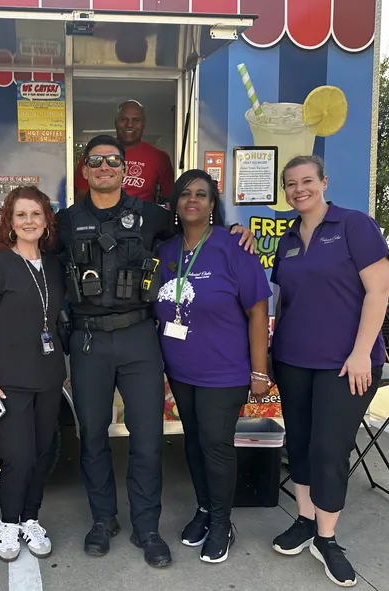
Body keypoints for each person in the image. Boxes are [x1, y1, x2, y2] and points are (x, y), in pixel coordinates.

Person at [52, 135, 254, 568]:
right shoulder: (65, 222)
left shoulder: (152, 217)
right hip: (87, 341)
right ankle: (103, 519)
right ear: (84, 170)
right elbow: (28, 249)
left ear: (125, 169)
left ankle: (147, 527)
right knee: (91, 436)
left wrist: (238, 230)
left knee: (146, 440)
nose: (104, 167)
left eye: (113, 161)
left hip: (140, 338)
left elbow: (198, 230)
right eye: (96, 161)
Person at [268, 155, 389, 587]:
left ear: (323, 182)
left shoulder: (354, 225)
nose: (299, 189)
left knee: (329, 450)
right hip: (293, 359)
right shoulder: (287, 239)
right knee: (298, 444)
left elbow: (380, 289)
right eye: (290, 184)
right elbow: (285, 299)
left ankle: (327, 537)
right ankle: (304, 520)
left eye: (306, 181)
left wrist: (361, 353)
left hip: (347, 365)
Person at [152, 169, 272, 564]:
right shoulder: (167, 251)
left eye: (201, 194)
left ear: (212, 204)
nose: (193, 200)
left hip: (224, 370)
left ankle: (223, 523)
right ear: (175, 202)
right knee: (193, 442)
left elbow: (258, 310)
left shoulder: (232, 246)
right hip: (182, 369)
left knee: (216, 445)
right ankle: (204, 509)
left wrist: (259, 371)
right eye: (185, 194)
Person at [0, 187, 67, 563]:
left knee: (42, 454)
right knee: (17, 456)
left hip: (47, 376)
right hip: (6, 381)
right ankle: (8, 524)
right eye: (21, 214)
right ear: (10, 221)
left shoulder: (55, 266)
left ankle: (30, 519)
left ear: (46, 221)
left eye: (36, 215)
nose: (29, 221)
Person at [73, 100, 174, 204]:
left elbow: (169, 200)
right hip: (100, 218)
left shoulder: (159, 158)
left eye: (136, 120)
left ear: (144, 124)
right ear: (116, 122)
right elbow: (80, 195)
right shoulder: (94, 154)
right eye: (124, 119)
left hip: (143, 218)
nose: (129, 124)